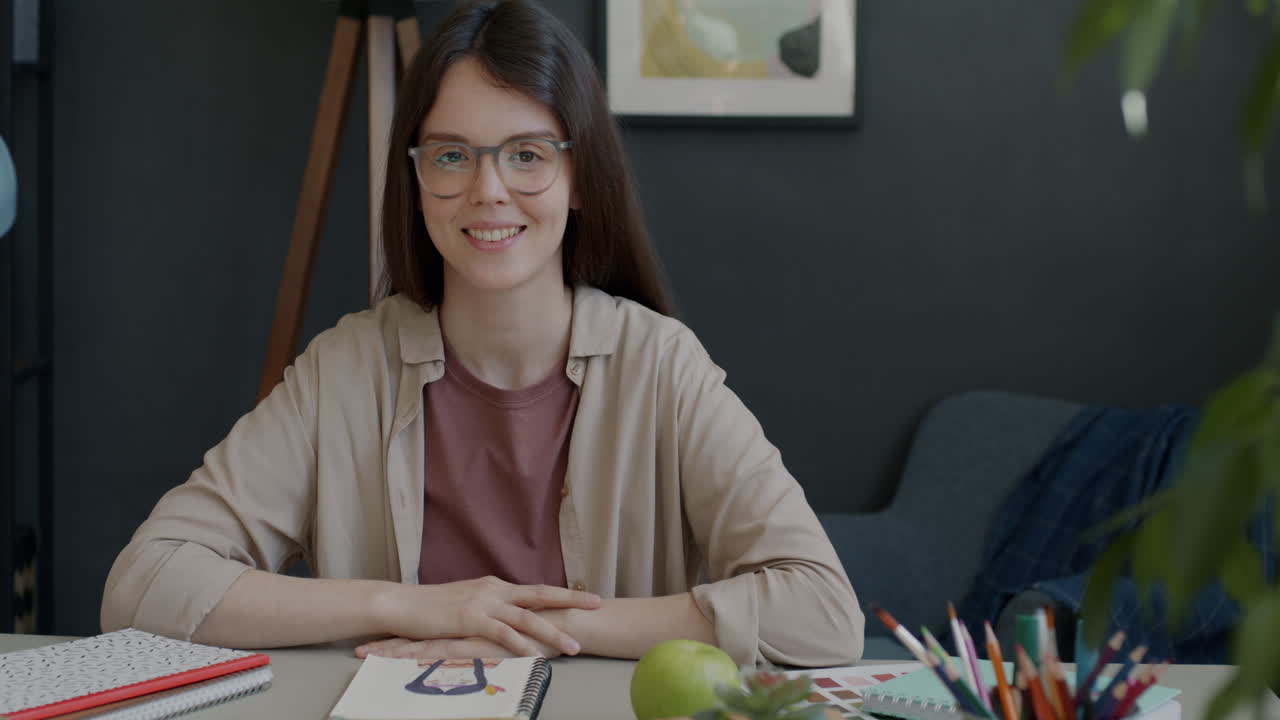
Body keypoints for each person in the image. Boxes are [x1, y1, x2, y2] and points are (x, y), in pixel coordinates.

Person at [101, 0, 863, 668]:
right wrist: (409, 607)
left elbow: (823, 612)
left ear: (579, 178)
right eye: (451, 156)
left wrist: (538, 629)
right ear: (417, 180)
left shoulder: (661, 367)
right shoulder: (345, 369)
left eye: (528, 155)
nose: (487, 190)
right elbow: (143, 585)